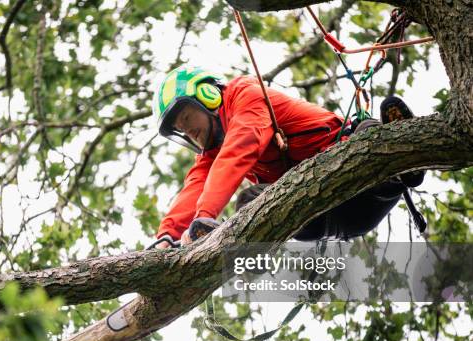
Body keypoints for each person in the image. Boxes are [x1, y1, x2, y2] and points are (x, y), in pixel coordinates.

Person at [150, 66, 423, 248]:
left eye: (186, 117)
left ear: (207, 95)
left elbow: (239, 148)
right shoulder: (212, 148)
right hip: (327, 217)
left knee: (367, 134)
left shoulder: (245, 96)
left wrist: (205, 216)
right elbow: (196, 184)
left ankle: (400, 158)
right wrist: (166, 236)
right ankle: (252, 251)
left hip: (359, 182)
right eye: (181, 129)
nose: (189, 131)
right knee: (251, 201)